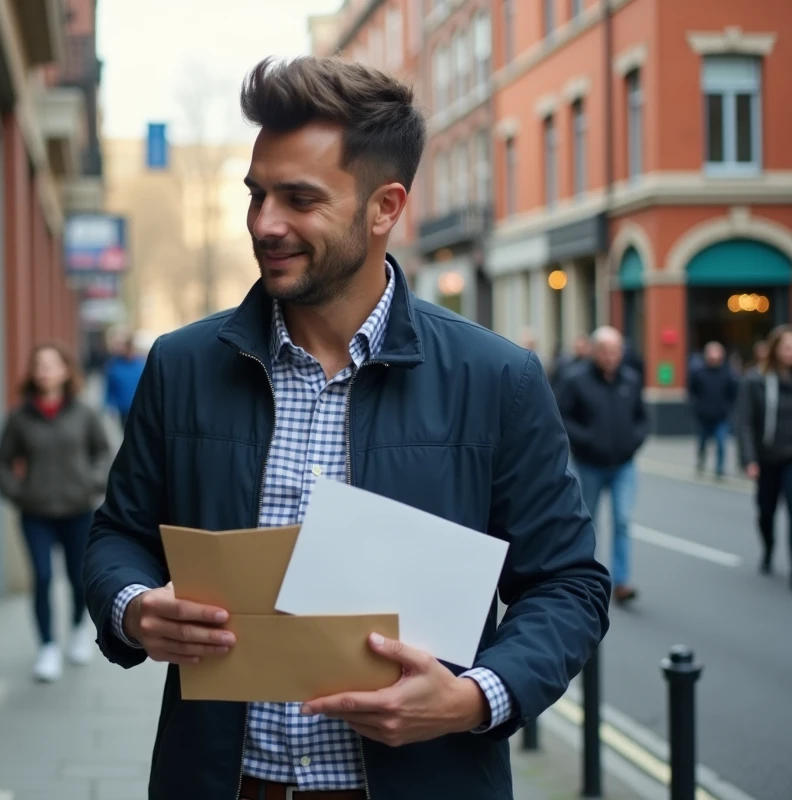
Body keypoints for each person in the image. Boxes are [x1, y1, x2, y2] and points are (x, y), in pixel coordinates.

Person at [83, 56, 610, 800]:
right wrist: (134, 608)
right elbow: (116, 535)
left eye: (300, 199)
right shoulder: (181, 364)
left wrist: (474, 697)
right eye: (257, 195)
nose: (265, 224)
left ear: (384, 207)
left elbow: (567, 584)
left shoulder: (497, 380)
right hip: (224, 783)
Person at [0, 342, 112, 682]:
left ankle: (77, 630)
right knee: (43, 578)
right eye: (39, 365)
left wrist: (91, 484)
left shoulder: (84, 413)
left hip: (78, 512)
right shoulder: (19, 417)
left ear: (64, 371)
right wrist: (19, 494)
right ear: (32, 373)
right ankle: (47, 647)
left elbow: (104, 454)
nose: (45, 370)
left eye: (51, 364)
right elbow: (0, 463)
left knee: (77, 579)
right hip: (36, 514)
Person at [555, 326, 648, 603]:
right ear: (595, 351)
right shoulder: (575, 380)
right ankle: (587, 579)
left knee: (623, 521)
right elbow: (561, 415)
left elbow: (642, 418)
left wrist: (634, 440)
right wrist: (587, 440)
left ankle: (622, 582)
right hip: (589, 465)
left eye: (616, 351)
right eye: (606, 352)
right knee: (588, 523)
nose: (611, 357)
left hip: (624, 464)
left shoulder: (630, 380)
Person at [735, 325, 792, 581]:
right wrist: (749, 459)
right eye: (787, 347)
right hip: (767, 457)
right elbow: (744, 422)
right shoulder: (755, 380)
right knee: (766, 511)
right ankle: (768, 547)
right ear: (775, 350)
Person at [687, 341, 738, 478]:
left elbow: (733, 394)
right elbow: (692, 392)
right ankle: (701, 461)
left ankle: (719, 468)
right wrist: (697, 407)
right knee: (702, 442)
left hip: (721, 416)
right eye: (711, 352)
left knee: (721, 442)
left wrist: (727, 409)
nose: (714, 356)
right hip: (703, 415)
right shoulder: (699, 373)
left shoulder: (728, 374)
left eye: (717, 352)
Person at [102, 329, 150, 428]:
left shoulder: (141, 364)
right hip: (123, 407)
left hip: (139, 407)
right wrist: (108, 404)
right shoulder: (113, 365)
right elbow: (109, 387)